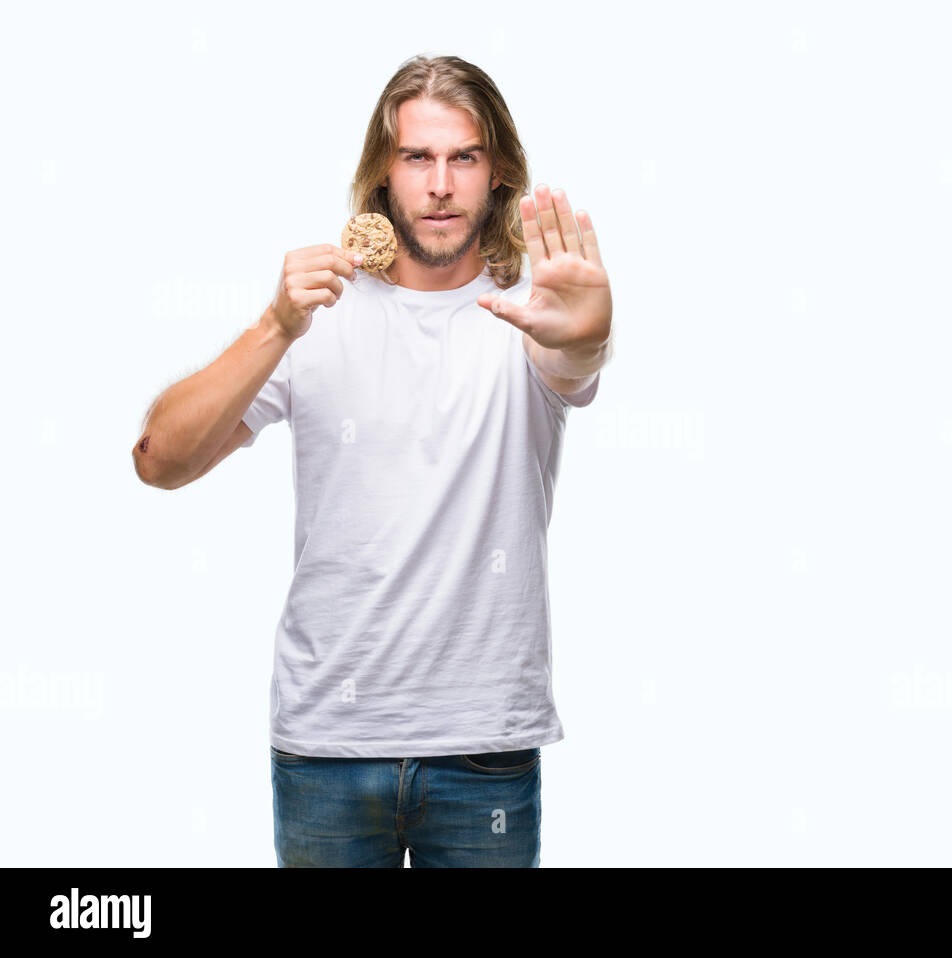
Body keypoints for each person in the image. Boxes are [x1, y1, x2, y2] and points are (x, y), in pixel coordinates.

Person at [131, 54, 613, 867]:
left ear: (497, 174)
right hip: (327, 748)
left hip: (484, 750)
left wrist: (589, 333)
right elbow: (159, 461)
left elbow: (576, 359)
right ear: (381, 175)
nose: (439, 184)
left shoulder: (534, 315)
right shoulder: (315, 317)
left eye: (463, 157)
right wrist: (275, 327)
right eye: (417, 157)